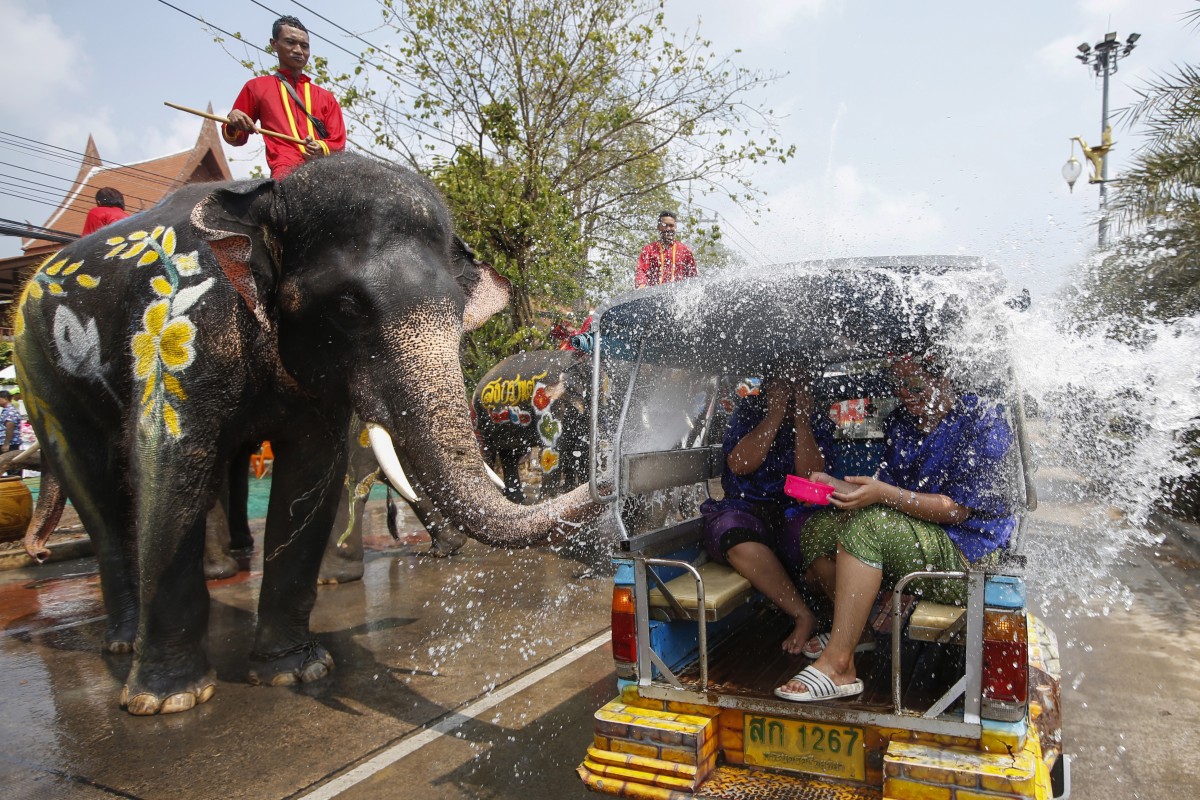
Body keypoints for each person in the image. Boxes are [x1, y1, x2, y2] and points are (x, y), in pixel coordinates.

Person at [775, 351, 1016, 702]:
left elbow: (956, 510)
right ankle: (856, 633)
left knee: (869, 527)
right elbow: (883, 492)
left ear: (945, 377)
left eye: (915, 384)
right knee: (819, 529)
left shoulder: (982, 421)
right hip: (913, 532)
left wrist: (884, 495)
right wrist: (833, 485)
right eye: (899, 385)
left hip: (967, 555)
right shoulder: (903, 422)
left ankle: (839, 666)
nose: (904, 393)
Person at [701, 365, 834, 655]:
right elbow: (739, 464)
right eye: (783, 385)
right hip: (745, 507)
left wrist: (801, 419)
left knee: (819, 538)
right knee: (733, 535)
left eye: (798, 386)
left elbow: (812, 476)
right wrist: (774, 415)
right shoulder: (749, 411)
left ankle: (831, 618)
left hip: (793, 511)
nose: (790, 393)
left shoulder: (815, 419)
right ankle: (803, 614)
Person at [222, 16, 346, 178]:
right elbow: (236, 139)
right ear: (274, 44)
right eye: (290, 42)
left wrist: (322, 147)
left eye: (304, 46)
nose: (298, 50)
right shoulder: (257, 87)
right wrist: (233, 121)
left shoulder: (326, 97)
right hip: (284, 175)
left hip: (324, 175)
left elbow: (339, 141)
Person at [635, 211, 698, 288]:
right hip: (653, 295)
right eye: (664, 225)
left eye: (671, 225)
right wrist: (641, 284)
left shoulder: (685, 250)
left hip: (677, 295)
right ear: (658, 227)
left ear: (675, 227)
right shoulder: (649, 249)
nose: (668, 229)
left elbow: (692, 276)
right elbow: (641, 270)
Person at [0, 390, 22, 476]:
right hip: (7, 443)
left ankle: (16, 484)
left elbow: (10, 425)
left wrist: (6, 443)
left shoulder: (10, 410)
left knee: (12, 465)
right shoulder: (6, 410)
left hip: (11, 444)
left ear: (4, 398)